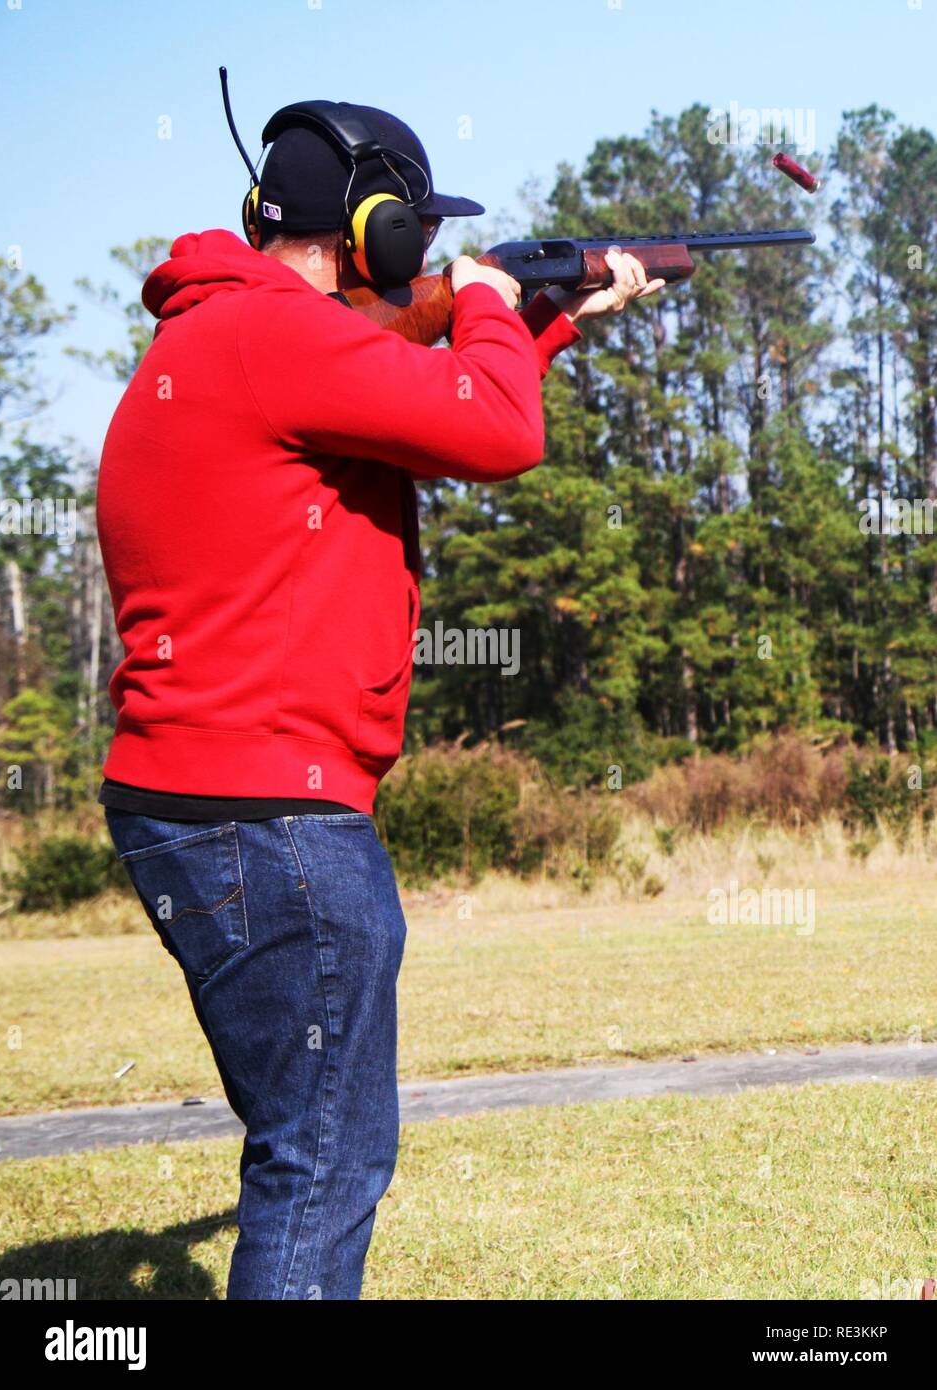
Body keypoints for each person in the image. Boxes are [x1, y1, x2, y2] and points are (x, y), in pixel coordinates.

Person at [97, 98, 663, 1300]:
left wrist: (537, 320)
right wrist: (495, 311)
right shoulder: (282, 340)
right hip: (273, 821)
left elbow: (415, 410)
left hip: (195, 803)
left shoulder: (221, 337)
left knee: (304, 1141)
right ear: (375, 235)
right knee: (325, 1159)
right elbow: (500, 430)